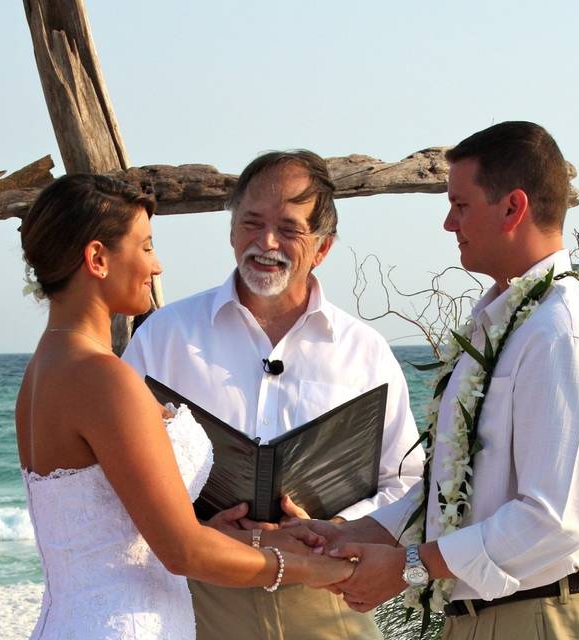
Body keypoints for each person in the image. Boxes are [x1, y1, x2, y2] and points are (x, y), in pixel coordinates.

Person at [298, 122, 579, 640]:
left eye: (460, 206)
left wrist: (409, 566)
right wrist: (348, 534)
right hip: (483, 618)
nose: (447, 223)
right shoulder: (501, 326)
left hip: (548, 618)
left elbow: (554, 521)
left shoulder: (567, 334)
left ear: (512, 208)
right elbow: (458, 489)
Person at [15, 174, 354, 640]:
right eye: (146, 246)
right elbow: (182, 551)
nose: (156, 266)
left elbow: (122, 538)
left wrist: (261, 537)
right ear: (97, 259)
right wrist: (303, 569)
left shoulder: (44, 369)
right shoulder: (102, 378)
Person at [123, 150, 424, 640]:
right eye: (252, 223)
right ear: (231, 230)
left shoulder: (364, 351)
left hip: (325, 599)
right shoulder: (165, 336)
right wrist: (196, 530)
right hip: (198, 595)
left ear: (322, 248)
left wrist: (337, 531)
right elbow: (116, 472)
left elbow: (408, 482)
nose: (266, 243)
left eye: (288, 229)